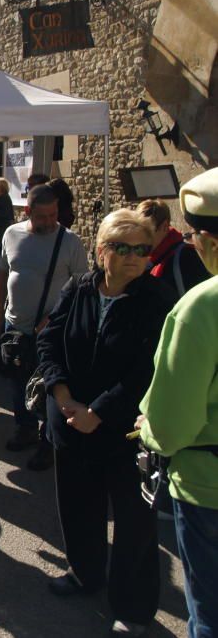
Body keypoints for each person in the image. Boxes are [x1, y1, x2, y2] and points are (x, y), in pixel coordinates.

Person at [37, 209, 172, 637]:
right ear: (101, 251)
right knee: (77, 506)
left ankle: (132, 607)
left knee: (134, 523)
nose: (134, 257)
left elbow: (149, 370)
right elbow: (49, 339)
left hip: (124, 432)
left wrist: (99, 411)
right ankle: (84, 573)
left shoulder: (156, 299)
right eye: (123, 248)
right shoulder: (78, 288)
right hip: (71, 420)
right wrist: (62, 396)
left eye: (142, 250)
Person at [138, 168, 218, 638]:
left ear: (206, 238)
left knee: (208, 613)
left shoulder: (201, 306)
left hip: (208, 487)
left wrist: (148, 427)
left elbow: (170, 425)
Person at [0, 184, 88, 471]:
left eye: (53, 214)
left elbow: (81, 288)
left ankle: (48, 442)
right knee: (16, 380)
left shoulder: (69, 241)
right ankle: (24, 428)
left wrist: (53, 318)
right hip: (15, 324)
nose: (49, 221)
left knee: (49, 387)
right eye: (42, 216)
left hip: (51, 331)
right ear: (27, 212)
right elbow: (2, 273)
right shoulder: (12, 234)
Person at [138, 198, 210, 300]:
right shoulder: (146, 258)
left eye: (147, 232)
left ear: (164, 226)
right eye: (138, 232)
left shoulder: (187, 258)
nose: (141, 239)